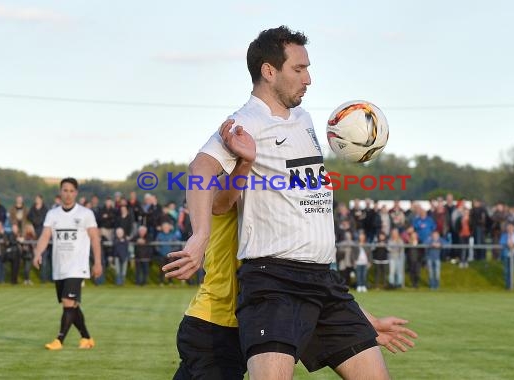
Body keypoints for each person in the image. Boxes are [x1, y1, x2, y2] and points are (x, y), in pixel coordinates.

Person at [165, 26, 403, 379]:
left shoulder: (304, 120)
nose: (309, 78)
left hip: (323, 279)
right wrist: (199, 235)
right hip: (274, 279)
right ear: (269, 71)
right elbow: (201, 168)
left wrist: (364, 319)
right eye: (299, 69)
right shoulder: (247, 120)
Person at [172, 158, 417, 379]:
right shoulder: (226, 192)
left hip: (255, 319)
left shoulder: (273, 216)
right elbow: (220, 191)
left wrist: (367, 322)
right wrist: (246, 161)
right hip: (214, 327)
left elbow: (308, 281)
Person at [32, 178, 102, 350]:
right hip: (60, 267)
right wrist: (37, 253)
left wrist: (98, 262)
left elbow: (95, 238)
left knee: (67, 302)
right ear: (60, 192)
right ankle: (86, 338)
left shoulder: (85, 214)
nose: (68, 194)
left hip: (77, 267)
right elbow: (45, 236)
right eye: (65, 190)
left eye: (71, 191)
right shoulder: (53, 214)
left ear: (76, 193)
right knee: (72, 305)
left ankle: (59, 340)